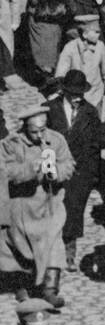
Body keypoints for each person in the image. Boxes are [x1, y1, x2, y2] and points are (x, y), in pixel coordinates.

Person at [0, 101, 74, 307]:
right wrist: (32, 168)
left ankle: (50, 289)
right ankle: (23, 286)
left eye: (42, 130)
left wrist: (57, 173)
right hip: (22, 205)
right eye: (34, 132)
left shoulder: (57, 140)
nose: (40, 136)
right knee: (21, 246)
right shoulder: (11, 143)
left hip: (50, 203)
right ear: (25, 128)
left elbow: (69, 164)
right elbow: (8, 171)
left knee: (53, 242)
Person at [46, 70, 105, 274]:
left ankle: (69, 253)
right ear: (64, 91)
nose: (76, 97)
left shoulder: (90, 112)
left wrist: (91, 173)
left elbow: (96, 142)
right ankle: (48, 253)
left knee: (73, 212)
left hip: (80, 171)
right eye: (72, 93)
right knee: (52, 210)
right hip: (54, 170)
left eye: (80, 93)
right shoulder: (49, 110)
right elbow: (42, 142)